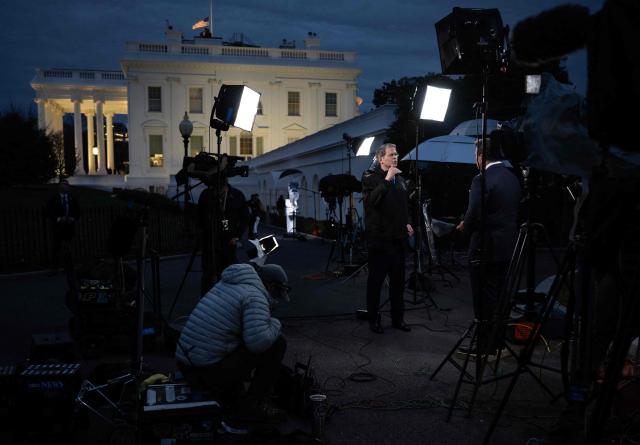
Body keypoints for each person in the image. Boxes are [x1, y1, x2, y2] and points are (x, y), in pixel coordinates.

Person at [175, 262, 291, 422]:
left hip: (186, 364)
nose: (276, 299)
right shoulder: (256, 296)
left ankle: (233, 391)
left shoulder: (228, 284)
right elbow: (259, 343)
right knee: (277, 343)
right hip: (203, 372)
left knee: (248, 335)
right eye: (277, 294)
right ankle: (254, 405)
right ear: (271, 286)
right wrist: (276, 323)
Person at [456, 137, 521, 353]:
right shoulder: (512, 177)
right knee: (500, 296)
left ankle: (485, 345)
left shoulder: (481, 179)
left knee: (484, 299)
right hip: (507, 247)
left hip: (485, 248)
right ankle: (498, 341)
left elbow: (474, 213)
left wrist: (464, 227)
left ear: (481, 156)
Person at [361, 143, 414, 334]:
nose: (396, 157)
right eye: (392, 154)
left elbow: (404, 205)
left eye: (397, 154)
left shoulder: (399, 180)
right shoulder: (370, 177)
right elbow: (371, 202)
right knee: (375, 282)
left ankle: (397, 319)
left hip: (398, 239)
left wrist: (407, 222)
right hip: (379, 240)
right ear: (381, 158)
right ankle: (373, 319)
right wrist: (386, 179)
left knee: (398, 283)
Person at [198, 177, 250, 296]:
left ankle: (228, 299)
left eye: (219, 189)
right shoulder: (206, 195)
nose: (217, 192)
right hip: (210, 241)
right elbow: (200, 216)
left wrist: (237, 236)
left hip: (229, 240)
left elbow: (245, 218)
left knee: (229, 272)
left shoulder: (237, 195)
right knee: (208, 274)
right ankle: (207, 301)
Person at [46, 179, 80, 275]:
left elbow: (77, 211)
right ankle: (54, 268)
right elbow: (49, 212)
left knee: (68, 248)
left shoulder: (72, 199)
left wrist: (72, 218)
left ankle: (68, 267)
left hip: (69, 227)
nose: (65, 187)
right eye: (63, 185)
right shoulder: (54, 199)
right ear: (59, 187)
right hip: (58, 227)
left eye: (67, 185)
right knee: (56, 248)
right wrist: (59, 219)